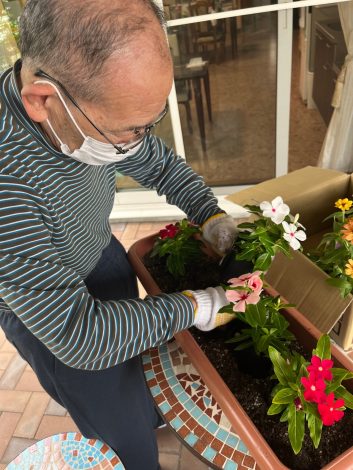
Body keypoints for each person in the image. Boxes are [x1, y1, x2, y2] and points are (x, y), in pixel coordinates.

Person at [0, 1, 238, 468]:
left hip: (95, 248)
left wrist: (210, 215)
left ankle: (142, 409)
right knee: (121, 435)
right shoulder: (8, 186)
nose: (140, 140)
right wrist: (198, 305)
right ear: (42, 100)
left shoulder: (84, 111)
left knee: (139, 361)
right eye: (128, 130)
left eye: (149, 123)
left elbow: (157, 161)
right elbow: (82, 336)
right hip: (54, 316)